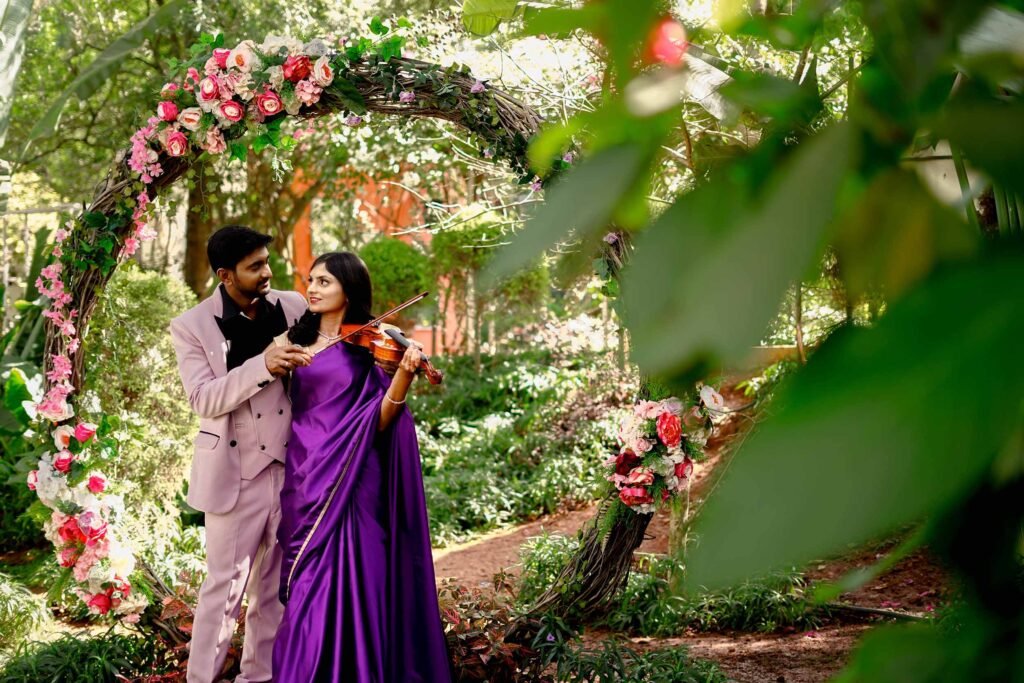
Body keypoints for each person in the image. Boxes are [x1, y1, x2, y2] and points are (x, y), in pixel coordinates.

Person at [272, 252, 451, 682]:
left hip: (355, 478)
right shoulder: (289, 342)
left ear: (348, 291)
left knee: (362, 583)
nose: (312, 288)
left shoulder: (375, 342)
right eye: (310, 280)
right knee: (307, 598)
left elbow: (380, 420)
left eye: (324, 282)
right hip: (305, 476)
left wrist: (404, 375)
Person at [169, 225, 312, 683]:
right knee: (222, 592)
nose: (267, 272)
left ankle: (260, 678)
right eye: (255, 267)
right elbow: (203, 399)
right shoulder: (191, 326)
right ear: (225, 275)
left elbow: (337, 338)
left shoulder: (292, 305)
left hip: (289, 470)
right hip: (235, 474)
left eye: (267, 262)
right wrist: (263, 365)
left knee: (272, 591)